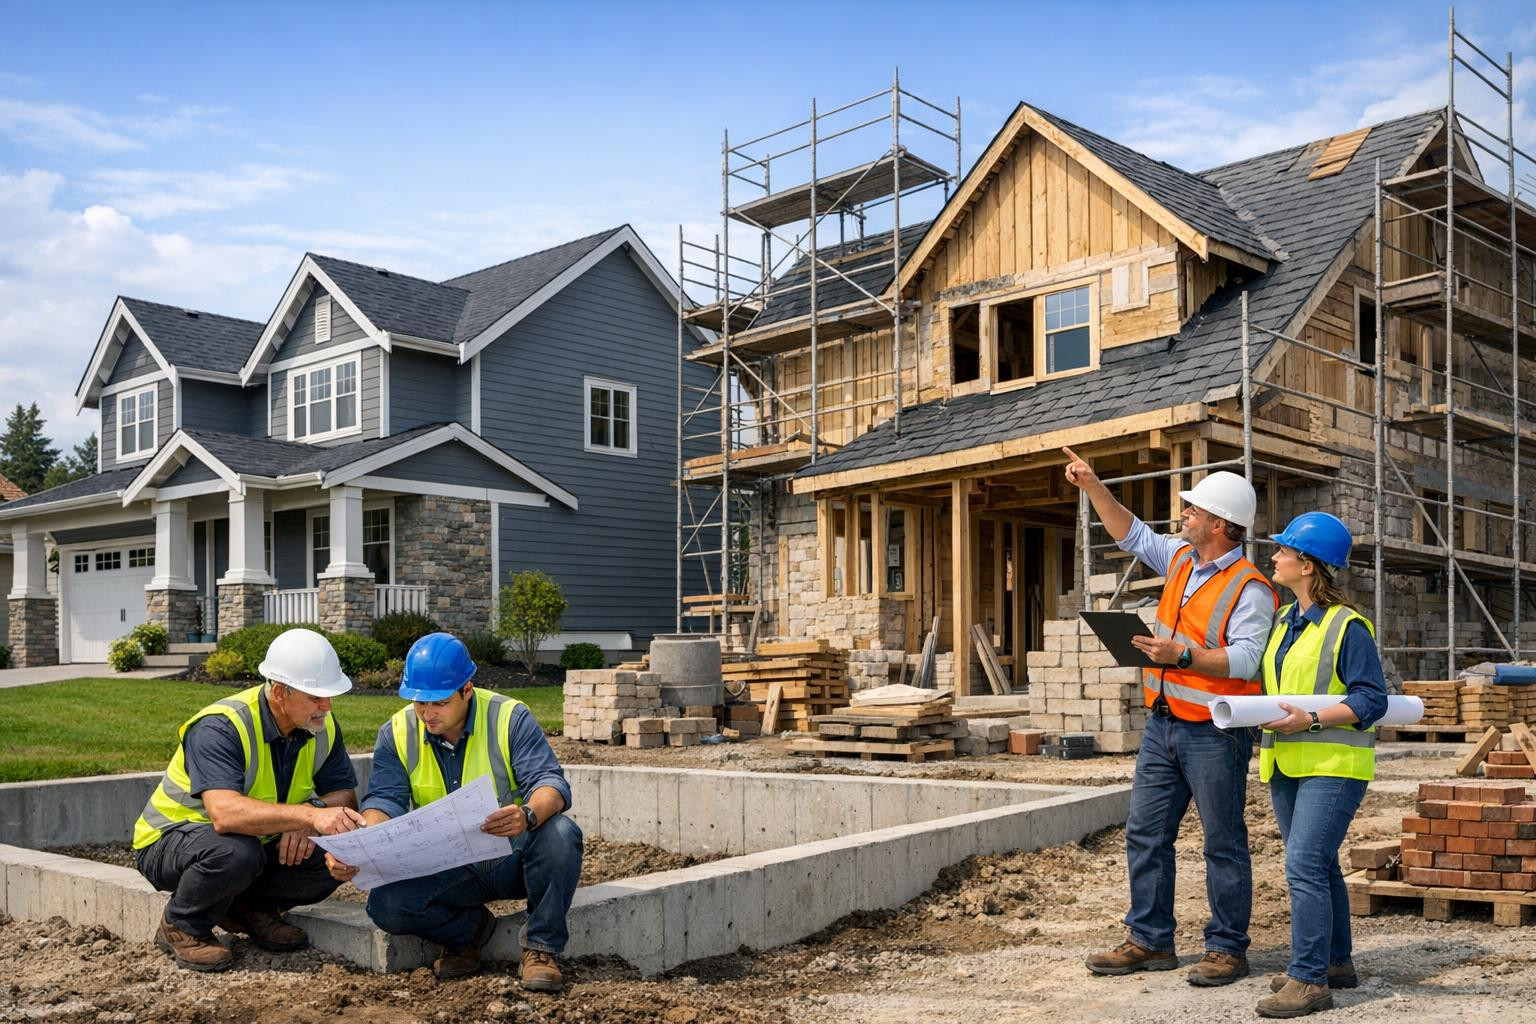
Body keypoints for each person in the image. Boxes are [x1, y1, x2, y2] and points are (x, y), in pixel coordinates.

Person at [1063, 449, 1278, 987]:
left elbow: (1248, 658)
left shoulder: (1251, 588)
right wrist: (1092, 485)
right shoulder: (1181, 558)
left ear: (1222, 525)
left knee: (1222, 841)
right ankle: (1150, 940)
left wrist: (1180, 656)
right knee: (1145, 833)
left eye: (1194, 510)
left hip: (1214, 730)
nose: (1184, 513)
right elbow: (1131, 534)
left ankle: (1227, 948)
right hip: (1163, 723)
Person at [326, 632, 583, 991]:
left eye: (439, 703)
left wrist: (526, 815)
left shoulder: (510, 717)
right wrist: (363, 844)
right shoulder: (397, 732)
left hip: (512, 858)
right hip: (448, 867)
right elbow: (385, 800)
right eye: (418, 703)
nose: (427, 714)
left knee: (561, 834)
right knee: (386, 906)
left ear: (467, 690)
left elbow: (551, 784)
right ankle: (470, 932)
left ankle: (541, 948)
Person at [133, 628, 364, 972]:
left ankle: (248, 908)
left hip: (252, 843)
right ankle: (181, 926)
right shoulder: (220, 726)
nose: (326, 707)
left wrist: (313, 814)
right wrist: (306, 817)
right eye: (316, 696)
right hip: (171, 841)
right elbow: (224, 815)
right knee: (236, 852)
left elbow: (344, 795)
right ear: (281, 692)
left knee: (340, 849)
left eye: (329, 696)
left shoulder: (320, 727)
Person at [1254, 512, 1387, 1019]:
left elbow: (1370, 700)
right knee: (1320, 865)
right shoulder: (1285, 622)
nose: (1275, 557)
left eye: (1284, 551)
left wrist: (1308, 718)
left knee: (1303, 866)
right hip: (1287, 763)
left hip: (1333, 765)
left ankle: (1308, 981)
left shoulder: (1348, 626)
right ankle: (1334, 963)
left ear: (1307, 565)